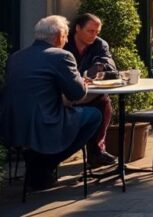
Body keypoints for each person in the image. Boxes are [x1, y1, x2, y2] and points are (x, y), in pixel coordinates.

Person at [1, 16, 102, 190]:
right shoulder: (61, 56)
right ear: (58, 36)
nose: (67, 40)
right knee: (94, 115)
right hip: (45, 121)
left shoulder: (16, 56)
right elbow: (77, 93)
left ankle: (39, 164)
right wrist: (81, 81)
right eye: (65, 35)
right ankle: (46, 164)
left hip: (12, 123)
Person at [64, 13, 117, 168]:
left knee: (103, 101)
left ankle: (96, 152)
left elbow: (109, 63)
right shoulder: (64, 43)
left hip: (89, 91)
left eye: (97, 32)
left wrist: (99, 66)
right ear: (78, 28)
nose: (94, 35)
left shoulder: (100, 44)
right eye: (90, 31)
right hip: (66, 91)